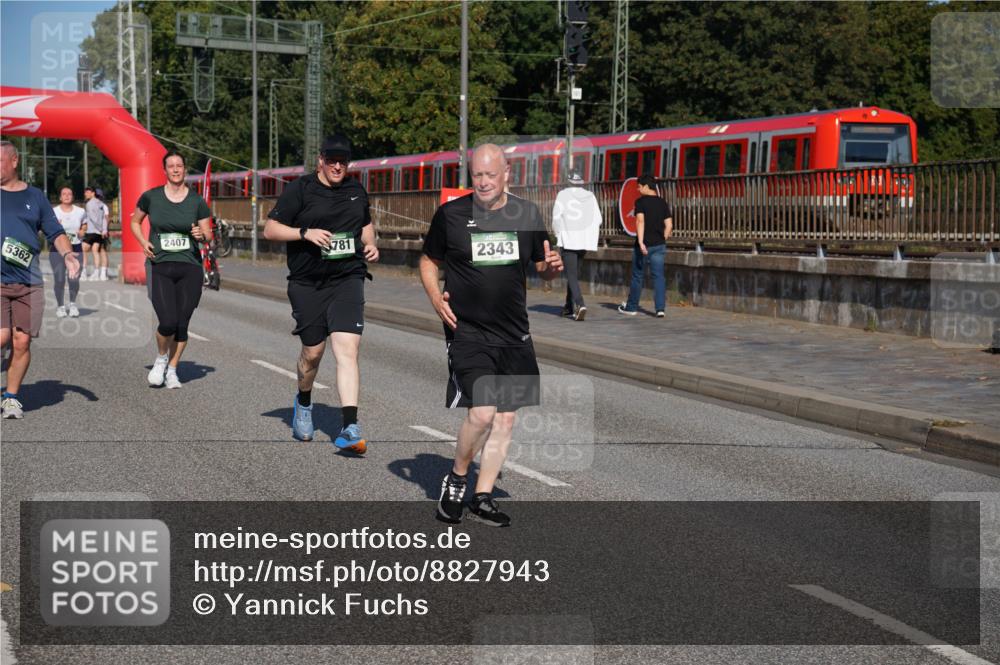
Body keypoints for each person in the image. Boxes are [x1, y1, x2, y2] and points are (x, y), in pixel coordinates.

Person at [420, 143, 563, 527]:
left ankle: (482, 497)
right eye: (477, 175)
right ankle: (457, 479)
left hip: (514, 333)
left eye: (490, 175)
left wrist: (552, 268)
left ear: (507, 175)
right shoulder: (451, 215)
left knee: (505, 420)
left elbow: (542, 267)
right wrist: (436, 298)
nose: (483, 182)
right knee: (482, 412)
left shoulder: (526, 214)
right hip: (467, 331)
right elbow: (428, 261)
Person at [263, 133, 379, 454]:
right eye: (332, 161)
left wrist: (370, 244)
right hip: (307, 283)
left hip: (348, 278)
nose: (338, 167)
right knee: (313, 353)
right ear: (321, 161)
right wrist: (304, 233)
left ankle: (350, 427)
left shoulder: (356, 191)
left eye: (343, 162)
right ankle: (303, 400)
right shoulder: (300, 190)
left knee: (348, 349)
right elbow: (270, 229)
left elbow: (366, 225)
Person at [0, 141, 81, 418]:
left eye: (0, 160)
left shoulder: (35, 197)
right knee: (2, 336)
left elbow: (54, 231)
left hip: (29, 280)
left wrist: (68, 255)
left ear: (14, 161)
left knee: (21, 341)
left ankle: (11, 397)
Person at [129, 150, 212, 389]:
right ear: (164, 171)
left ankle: (173, 369)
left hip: (190, 267)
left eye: (179, 166)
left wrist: (201, 235)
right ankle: (161, 357)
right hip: (159, 265)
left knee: (182, 323)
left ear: (185, 170)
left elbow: (207, 235)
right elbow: (135, 221)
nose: (176, 169)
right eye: (171, 166)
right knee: (167, 321)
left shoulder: (197, 201)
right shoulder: (151, 197)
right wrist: (143, 242)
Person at [618, 174, 673, 317]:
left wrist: (641, 242)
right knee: (659, 277)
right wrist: (663, 238)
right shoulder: (662, 203)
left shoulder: (640, 202)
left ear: (646, 187)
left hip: (643, 246)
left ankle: (631, 307)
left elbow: (640, 222)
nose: (638, 189)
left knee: (637, 276)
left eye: (639, 186)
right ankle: (660, 309)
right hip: (659, 245)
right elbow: (669, 225)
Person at [552, 170, 602, 321]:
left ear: (568, 181)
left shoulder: (563, 195)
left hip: (569, 240)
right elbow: (598, 219)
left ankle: (580, 304)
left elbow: (556, 218)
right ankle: (568, 307)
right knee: (573, 274)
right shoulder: (590, 196)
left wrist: (558, 235)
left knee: (571, 275)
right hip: (584, 242)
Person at [50, 186, 86, 318]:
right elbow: (46, 228)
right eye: (64, 194)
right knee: (59, 279)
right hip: (57, 250)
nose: (66, 196)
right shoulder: (53, 211)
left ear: (73, 197)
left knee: (74, 278)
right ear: (60, 197)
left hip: (75, 248)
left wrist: (83, 231)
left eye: (69, 194)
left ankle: (72, 304)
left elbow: (84, 225)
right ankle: (60, 306)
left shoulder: (81, 211)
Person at [81, 185, 109, 281]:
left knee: (83, 249)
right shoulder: (102, 204)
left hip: (92, 231)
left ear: (93, 193)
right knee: (95, 250)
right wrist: (104, 230)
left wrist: (100, 229)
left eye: (88, 192)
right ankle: (97, 273)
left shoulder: (89, 204)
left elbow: (93, 218)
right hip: (99, 232)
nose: (86, 194)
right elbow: (104, 219)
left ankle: (83, 272)